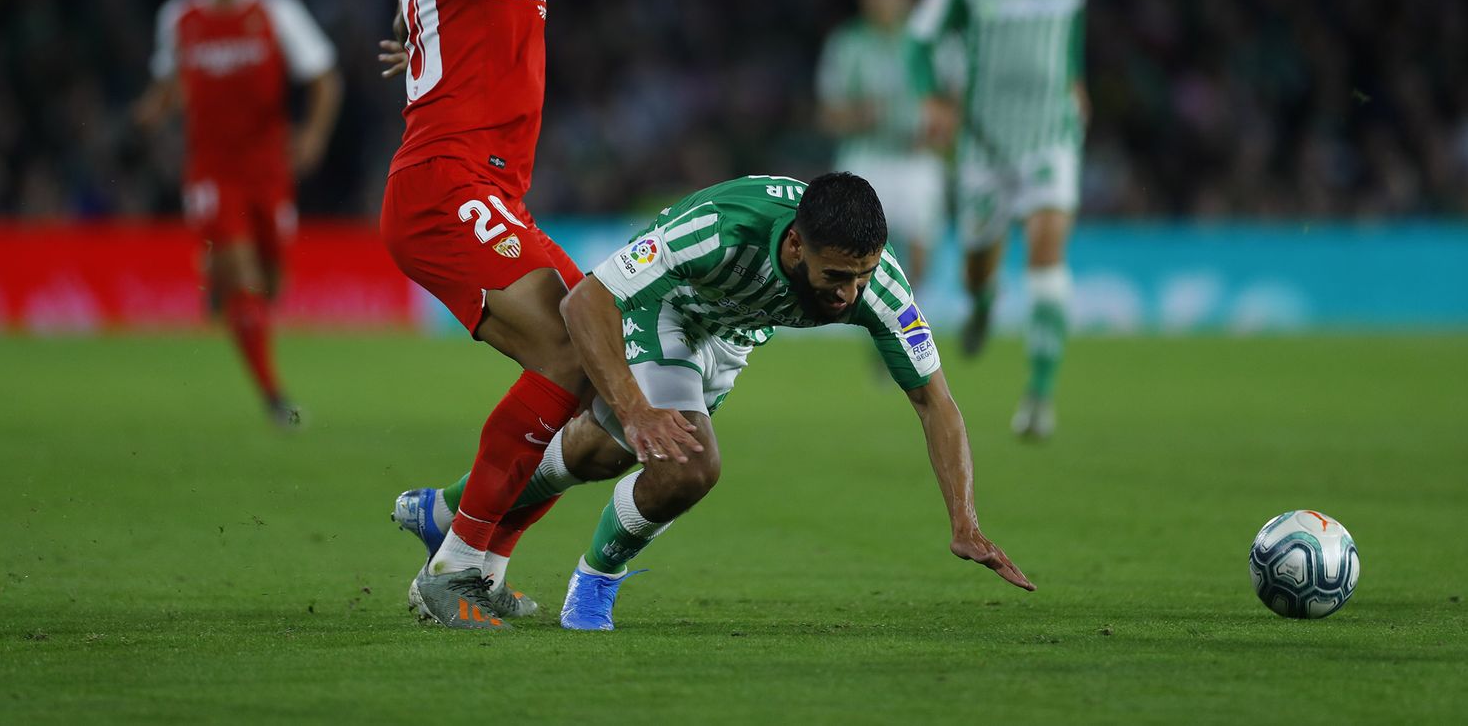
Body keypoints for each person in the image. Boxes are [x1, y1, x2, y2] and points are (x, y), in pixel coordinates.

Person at [395, 172, 1032, 630]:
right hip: (664, 308)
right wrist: (638, 408)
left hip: (730, 335)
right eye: (835, 277)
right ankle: (594, 587)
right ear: (794, 248)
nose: (848, 294)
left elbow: (935, 402)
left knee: (597, 454)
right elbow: (586, 300)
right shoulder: (720, 229)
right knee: (688, 466)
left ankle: (446, 509)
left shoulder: (878, 289)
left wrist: (965, 523)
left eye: (861, 276)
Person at [377, 0, 699, 630]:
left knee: (596, 353)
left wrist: (420, 56)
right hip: (448, 185)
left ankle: (464, 542)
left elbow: (466, 9)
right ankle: (454, 562)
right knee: (578, 341)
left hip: (475, 188)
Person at [134, 0, 342, 426]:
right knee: (243, 275)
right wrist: (152, 112)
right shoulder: (178, 17)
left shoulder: (276, 10)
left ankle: (225, 291)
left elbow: (323, 77)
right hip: (210, 171)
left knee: (271, 282)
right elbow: (170, 82)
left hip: (269, 169)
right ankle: (275, 399)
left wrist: (313, 135)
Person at [906, 0, 1090, 439]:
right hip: (985, 145)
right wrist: (931, 97)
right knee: (977, 268)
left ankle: (1039, 396)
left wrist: (1077, 81)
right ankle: (983, 303)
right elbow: (919, 40)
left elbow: (1073, 38)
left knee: (1047, 253)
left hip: (1052, 137)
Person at [816, 0, 951, 285]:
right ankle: (869, 315)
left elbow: (956, 103)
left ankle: (908, 310)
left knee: (921, 250)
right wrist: (859, 115)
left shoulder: (930, 43)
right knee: (857, 250)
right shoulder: (846, 44)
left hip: (917, 157)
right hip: (866, 158)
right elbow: (827, 115)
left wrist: (941, 129)